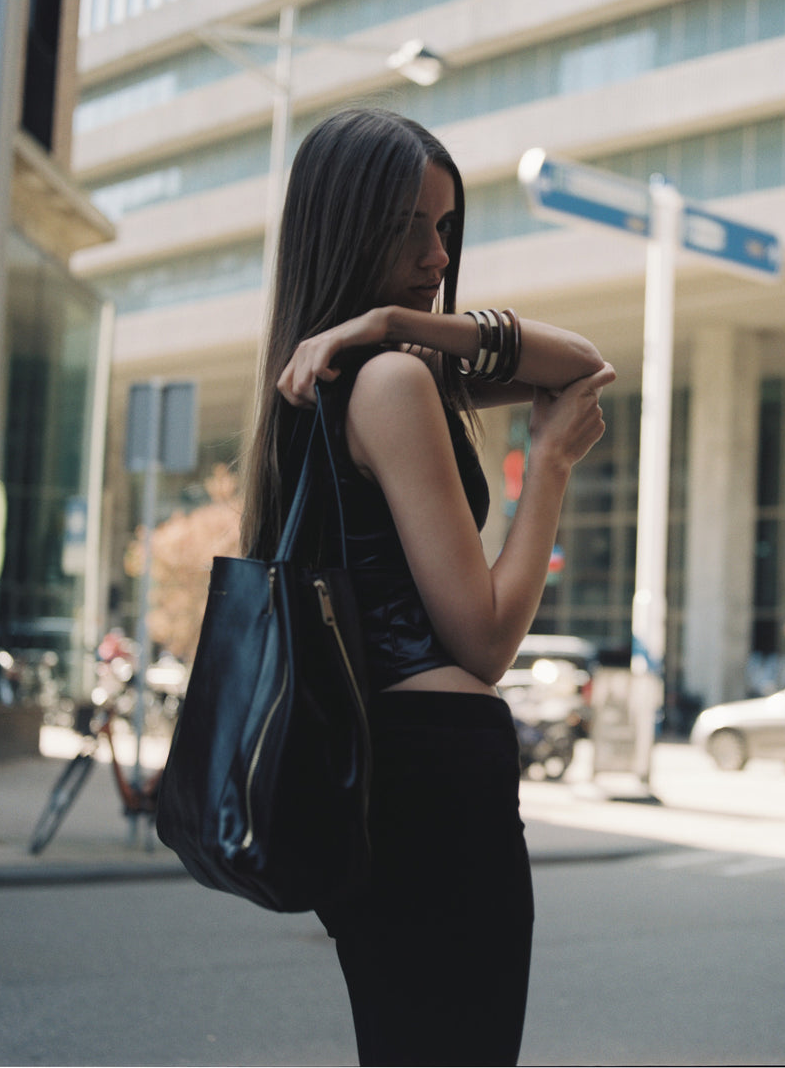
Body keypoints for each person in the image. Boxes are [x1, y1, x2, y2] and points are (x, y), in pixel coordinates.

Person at [237, 107, 614, 1066]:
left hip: (373, 780)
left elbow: (580, 362)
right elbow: (484, 637)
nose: (436, 253)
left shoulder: (334, 372)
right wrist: (551, 469)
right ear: (346, 226)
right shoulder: (392, 385)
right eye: (408, 226)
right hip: (435, 783)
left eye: (445, 227)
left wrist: (399, 319)